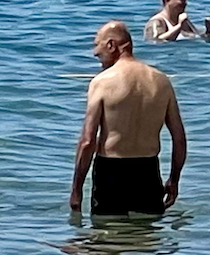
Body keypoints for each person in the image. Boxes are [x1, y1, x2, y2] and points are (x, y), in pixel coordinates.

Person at [68, 21, 186, 216]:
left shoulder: (102, 82)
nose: (95, 53)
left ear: (111, 45)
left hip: (111, 173)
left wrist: (76, 190)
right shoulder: (161, 81)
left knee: (107, 240)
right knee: (147, 239)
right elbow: (179, 138)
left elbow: (88, 141)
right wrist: (174, 180)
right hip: (148, 172)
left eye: (98, 46)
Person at [145, 0, 210, 42]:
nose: (185, 3)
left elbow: (198, 37)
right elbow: (156, 41)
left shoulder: (184, 21)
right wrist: (179, 26)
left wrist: (209, 31)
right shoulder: (156, 22)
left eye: (185, 0)